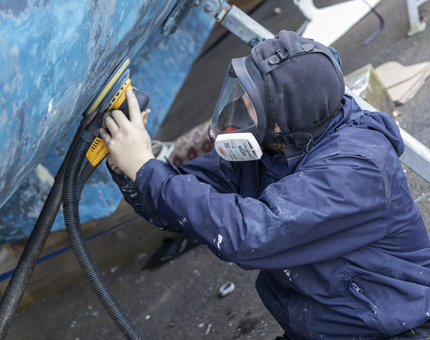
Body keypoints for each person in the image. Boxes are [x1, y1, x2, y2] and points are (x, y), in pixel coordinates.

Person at [100, 31, 430, 340]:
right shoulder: (271, 148)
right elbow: (177, 201)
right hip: (326, 327)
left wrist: (144, 167)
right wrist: (127, 165)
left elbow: (248, 234)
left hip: (397, 329)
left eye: (250, 105)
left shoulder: (358, 168)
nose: (239, 111)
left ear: (282, 120)